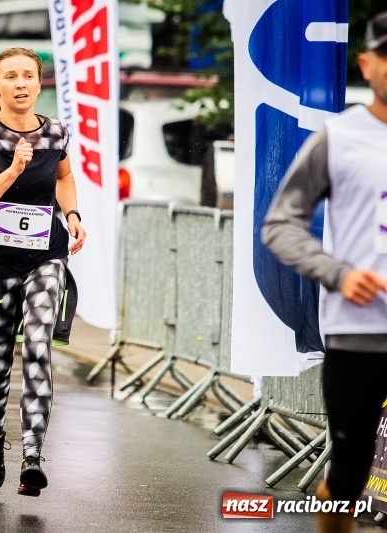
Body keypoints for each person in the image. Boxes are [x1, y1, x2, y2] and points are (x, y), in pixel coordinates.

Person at [262, 11, 387, 533]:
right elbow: (280, 224)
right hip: (359, 331)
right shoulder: (339, 137)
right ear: (367, 63)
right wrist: (337, 273)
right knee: (349, 474)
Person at [0, 47, 86, 497]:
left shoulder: (55, 132)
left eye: (28, 75)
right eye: (10, 76)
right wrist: (12, 170)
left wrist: (72, 214)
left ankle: (32, 454)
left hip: (43, 254)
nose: (21, 83)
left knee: (37, 343)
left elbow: (64, 177)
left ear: (39, 81)